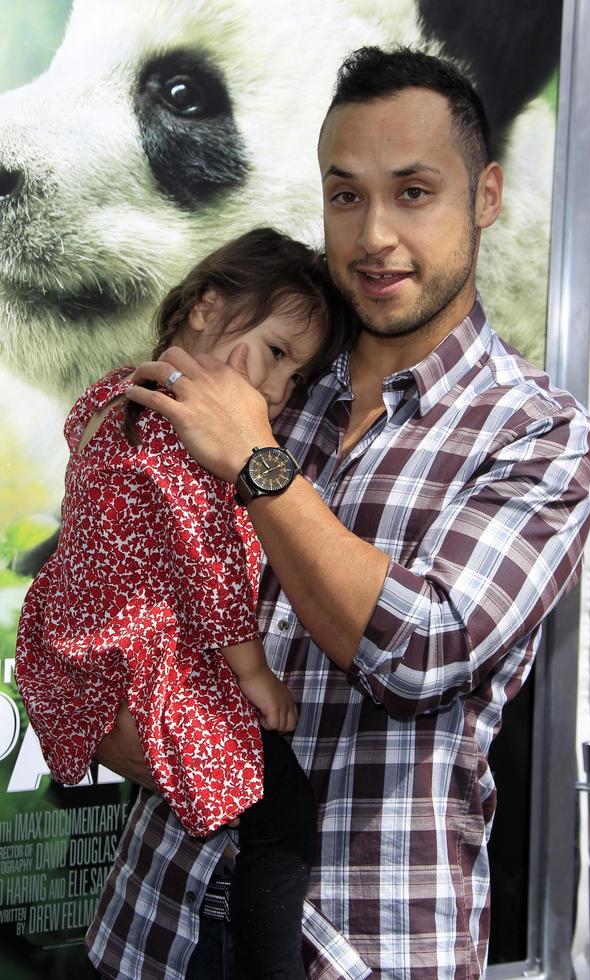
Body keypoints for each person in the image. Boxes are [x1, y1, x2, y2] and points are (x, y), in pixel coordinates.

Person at [87, 47, 590, 979]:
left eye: (413, 192)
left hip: (358, 943)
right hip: (152, 918)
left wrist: (255, 463)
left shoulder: (536, 434)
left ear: (485, 196)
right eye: (345, 196)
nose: (373, 237)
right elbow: (127, 594)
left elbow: (421, 651)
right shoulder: (279, 373)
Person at [16, 227, 355, 979]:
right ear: (206, 306)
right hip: (154, 664)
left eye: (294, 377)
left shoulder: (115, 395)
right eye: (273, 351)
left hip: (85, 647)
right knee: (284, 817)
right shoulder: (191, 438)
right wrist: (256, 673)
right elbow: (210, 574)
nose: (275, 390)